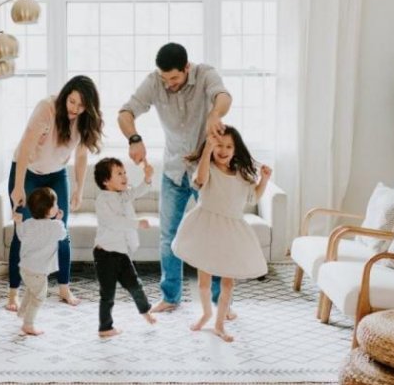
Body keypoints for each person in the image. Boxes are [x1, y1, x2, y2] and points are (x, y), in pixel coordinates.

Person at [118, 42, 232, 315]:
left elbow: (223, 96)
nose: (168, 84)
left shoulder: (205, 74)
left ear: (187, 68)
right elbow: (126, 112)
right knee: (169, 236)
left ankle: (220, 302)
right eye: (164, 78)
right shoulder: (155, 81)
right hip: (173, 171)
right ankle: (170, 297)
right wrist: (134, 138)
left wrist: (214, 114)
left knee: (214, 235)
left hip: (205, 171)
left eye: (174, 78)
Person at [7, 75, 103, 311]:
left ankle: (64, 288)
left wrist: (79, 188)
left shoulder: (83, 120)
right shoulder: (46, 109)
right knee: (23, 232)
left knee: (61, 230)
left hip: (57, 174)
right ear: (64, 95)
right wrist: (18, 187)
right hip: (28, 171)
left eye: (81, 106)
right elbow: (26, 148)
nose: (75, 109)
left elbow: (81, 156)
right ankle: (13, 294)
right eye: (72, 102)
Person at [172, 126, 271, 342]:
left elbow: (252, 198)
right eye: (219, 145)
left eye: (228, 146)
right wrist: (207, 150)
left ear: (236, 150)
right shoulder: (209, 169)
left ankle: (219, 323)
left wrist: (263, 180)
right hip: (206, 227)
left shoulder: (242, 175)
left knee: (228, 282)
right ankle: (206, 313)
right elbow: (199, 181)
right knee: (203, 281)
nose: (223, 150)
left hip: (232, 231)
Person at [93, 157, 157, 338]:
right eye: (119, 173)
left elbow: (138, 191)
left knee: (135, 285)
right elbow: (114, 222)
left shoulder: (123, 194)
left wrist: (147, 178)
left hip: (121, 254)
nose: (124, 176)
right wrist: (137, 223)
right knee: (108, 294)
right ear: (106, 181)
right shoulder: (103, 200)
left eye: (125, 173)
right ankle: (105, 328)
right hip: (105, 254)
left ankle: (145, 311)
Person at [13, 187, 68, 336]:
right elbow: (63, 235)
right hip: (38, 271)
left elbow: (21, 235)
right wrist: (59, 221)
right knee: (39, 296)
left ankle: (23, 312)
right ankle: (28, 324)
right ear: (50, 211)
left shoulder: (29, 223)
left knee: (31, 290)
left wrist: (18, 222)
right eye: (55, 204)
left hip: (24, 268)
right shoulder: (55, 226)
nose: (57, 207)